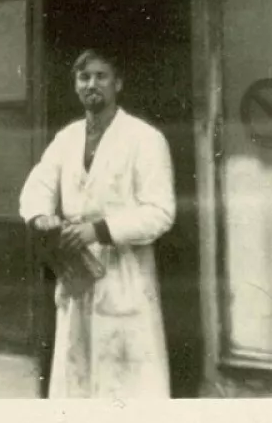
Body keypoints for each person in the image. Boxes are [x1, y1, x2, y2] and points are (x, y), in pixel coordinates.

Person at [19, 48, 175, 399]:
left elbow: (161, 212)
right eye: (84, 77)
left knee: (126, 387)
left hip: (126, 276)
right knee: (77, 380)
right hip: (78, 273)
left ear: (118, 83)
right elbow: (37, 185)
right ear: (76, 86)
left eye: (101, 76)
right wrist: (41, 216)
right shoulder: (67, 138)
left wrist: (98, 230)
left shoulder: (145, 139)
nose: (92, 84)